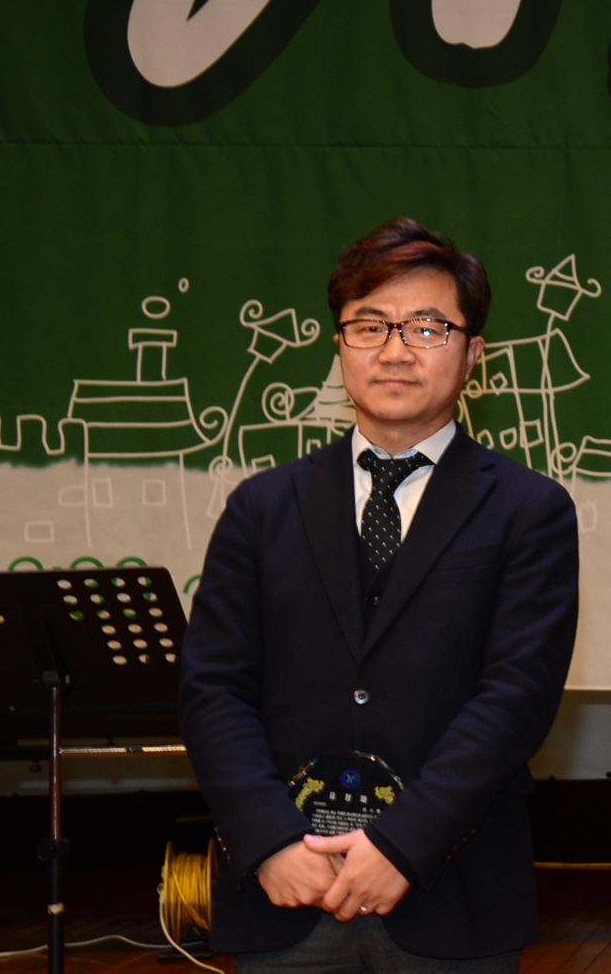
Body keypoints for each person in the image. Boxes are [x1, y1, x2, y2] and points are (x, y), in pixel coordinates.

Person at [180, 219, 581, 973]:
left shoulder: (529, 511)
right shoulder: (262, 508)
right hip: (285, 891)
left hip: (449, 891)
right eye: (370, 326)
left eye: (428, 327)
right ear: (340, 346)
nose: (395, 351)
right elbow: (213, 690)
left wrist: (402, 844)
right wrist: (267, 841)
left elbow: (515, 698)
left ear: (474, 355)